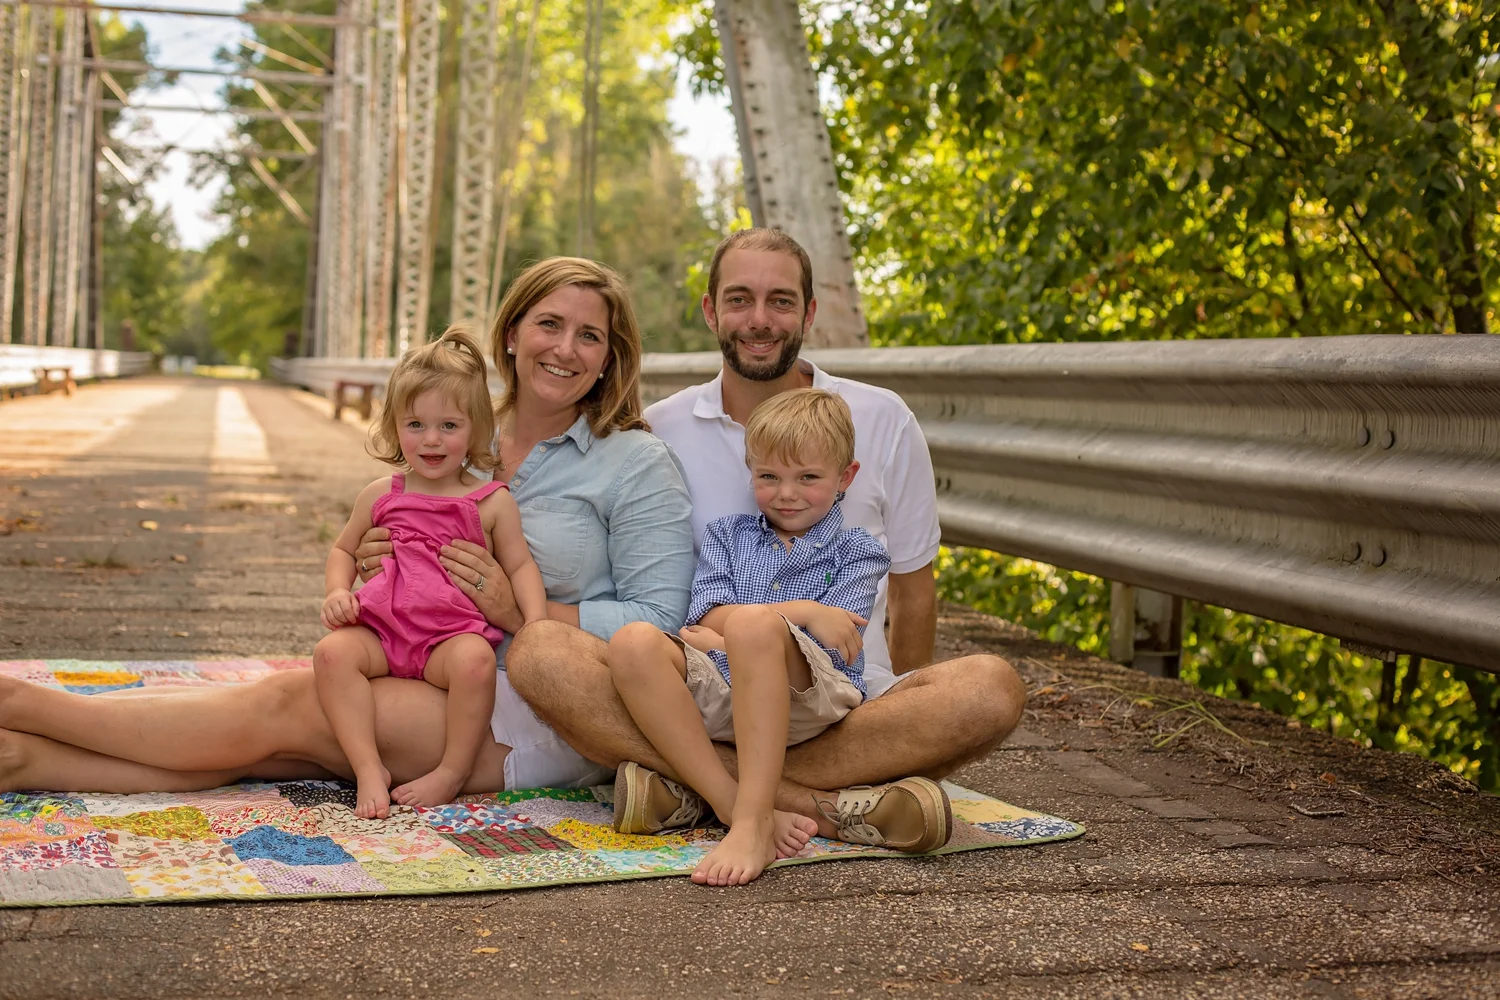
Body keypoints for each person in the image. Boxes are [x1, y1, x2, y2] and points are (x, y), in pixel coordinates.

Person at [0, 258, 695, 797]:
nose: (565, 348)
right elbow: (394, 533)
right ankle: (27, 760)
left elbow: (659, 621)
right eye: (549, 324)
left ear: (610, 357)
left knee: (292, 706)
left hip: (533, 705)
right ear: (511, 334)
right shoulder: (456, 434)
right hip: (421, 660)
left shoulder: (634, 462)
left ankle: (26, 706)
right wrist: (376, 562)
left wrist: (525, 616)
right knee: (277, 755)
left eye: (590, 336)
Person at [502, 229, 1027, 848]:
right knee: (542, 655)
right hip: (700, 694)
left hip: (837, 705)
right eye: (739, 299)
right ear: (710, 311)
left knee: (993, 689)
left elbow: (914, 594)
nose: (758, 319)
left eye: (780, 301)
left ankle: (691, 790)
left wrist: (902, 726)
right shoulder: (662, 428)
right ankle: (819, 808)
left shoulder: (882, 418)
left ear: (807, 313)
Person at [612, 388, 930, 886]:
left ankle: (746, 815)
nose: (787, 493)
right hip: (727, 691)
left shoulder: (858, 550)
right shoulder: (727, 536)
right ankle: (735, 806)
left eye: (808, 478)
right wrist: (800, 612)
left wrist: (734, 635)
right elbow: (708, 613)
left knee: (750, 625)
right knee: (632, 641)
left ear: (846, 477)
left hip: (814, 700)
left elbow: (838, 642)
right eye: (768, 477)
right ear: (750, 472)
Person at [316, 328, 548, 819]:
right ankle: (367, 766)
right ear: (394, 426)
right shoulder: (382, 493)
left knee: (475, 664)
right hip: (385, 630)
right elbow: (343, 548)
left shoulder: (490, 502)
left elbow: (520, 564)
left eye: (449, 425)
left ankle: (452, 770)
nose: (432, 439)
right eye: (416, 424)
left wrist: (535, 623)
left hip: (447, 636)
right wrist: (338, 590)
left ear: (476, 430)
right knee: (332, 654)